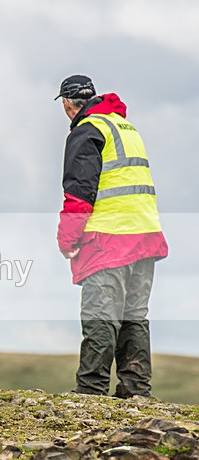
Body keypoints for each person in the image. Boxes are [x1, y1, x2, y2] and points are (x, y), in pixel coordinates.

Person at [55, 74, 168, 398]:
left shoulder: (87, 130)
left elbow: (79, 193)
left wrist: (68, 240)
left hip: (109, 238)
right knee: (134, 316)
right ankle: (136, 392)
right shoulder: (125, 128)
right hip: (145, 236)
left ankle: (91, 390)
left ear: (67, 104)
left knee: (100, 315)